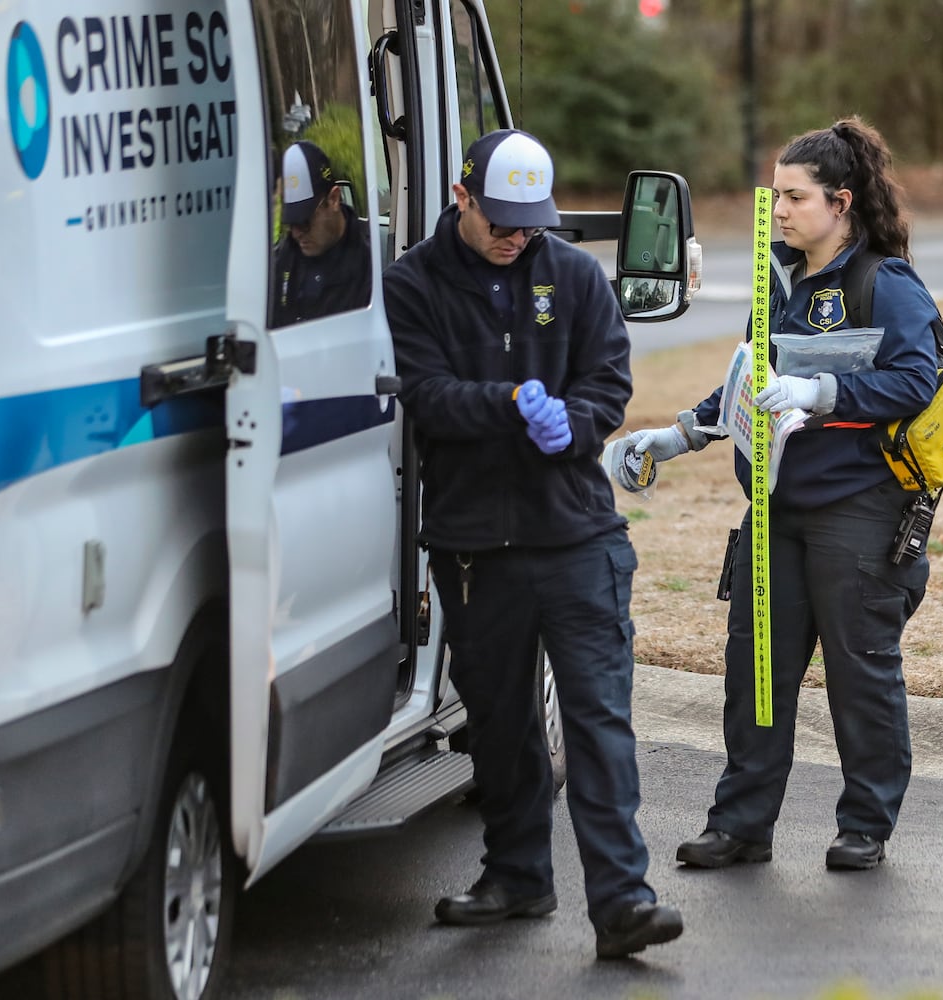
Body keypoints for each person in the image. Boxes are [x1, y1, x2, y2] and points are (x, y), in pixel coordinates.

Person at [383, 128, 682, 960]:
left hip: (575, 534)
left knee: (595, 719)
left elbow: (607, 386)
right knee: (501, 724)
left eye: (530, 223)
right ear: (461, 197)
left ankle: (623, 900)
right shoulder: (413, 283)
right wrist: (511, 403)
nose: (517, 237)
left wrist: (574, 425)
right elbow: (427, 396)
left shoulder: (576, 276)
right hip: (474, 544)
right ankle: (516, 877)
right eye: (501, 220)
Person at [627, 116, 938, 872]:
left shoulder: (881, 283)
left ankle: (864, 825)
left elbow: (915, 379)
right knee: (754, 671)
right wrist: (683, 432)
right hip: (773, 508)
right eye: (775, 197)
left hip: (857, 511)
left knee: (859, 672)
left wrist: (821, 387)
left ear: (840, 202)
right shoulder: (774, 281)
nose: (780, 211)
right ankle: (740, 825)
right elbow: (747, 378)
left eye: (794, 198)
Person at [272, 140, 372, 325]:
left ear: (334, 199)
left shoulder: (368, 266)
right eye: (291, 223)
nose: (296, 234)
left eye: (303, 222)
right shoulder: (284, 256)